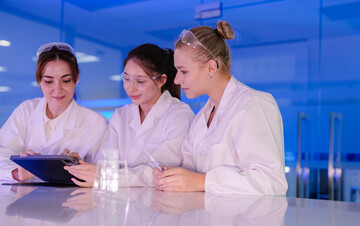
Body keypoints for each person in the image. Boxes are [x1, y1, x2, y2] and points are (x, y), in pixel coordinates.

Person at [153, 21, 288, 195]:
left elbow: (271, 182)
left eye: (183, 71)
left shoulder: (254, 104)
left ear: (211, 67)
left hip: (244, 221)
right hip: (205, 217)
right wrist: (174, 176)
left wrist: (202, 181)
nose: (177, 80)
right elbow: (192, 174)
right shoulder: (201, 117)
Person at [65, 43, 194, 187]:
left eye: (140, 81)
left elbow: (161, 173)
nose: (131, 88)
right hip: (120, 200)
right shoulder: (120, 116)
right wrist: (82, 165)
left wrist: (106, 177)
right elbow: (106, 163)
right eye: (126, 79)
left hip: (160, 202)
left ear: (161, 80)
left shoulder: (179, 115)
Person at [0, 42, 108, 181]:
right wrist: (18, 173)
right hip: (23, 199)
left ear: (77, 77)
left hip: (73, 200)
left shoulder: (96, 123)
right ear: (39, 80)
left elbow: (105, 175)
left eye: (66, 80)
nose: (57, 89)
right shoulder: (26, 110)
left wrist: (81, 168)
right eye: (48, 81)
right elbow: (2, 152)